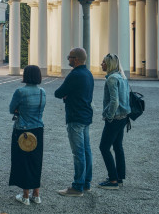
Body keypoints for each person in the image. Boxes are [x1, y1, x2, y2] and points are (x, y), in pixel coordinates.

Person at [54, 47, 94, 197]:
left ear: (76, 59)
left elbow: (59, 93)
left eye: (69, 57)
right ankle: (86, 183)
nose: (68, 59)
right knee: (86, 151)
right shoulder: (88, 74)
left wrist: (67, 96)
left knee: (78, 153)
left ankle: (77, 187)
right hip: (85, 116)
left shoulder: (74, 75)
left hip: (75, 117)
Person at [9, 65, 46, 205]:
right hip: (38, 129)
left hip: (22, 131)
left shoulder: (20, 92)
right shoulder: (43, 92)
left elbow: (11, 109)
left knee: (23, 161)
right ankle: (36, 194)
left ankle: (25, 196)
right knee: (36, 161)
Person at [98, 53, 131, 190]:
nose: (101, 64)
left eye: (104, 62)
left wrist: (110, 116)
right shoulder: (122, 77)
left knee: (104, 147)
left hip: (115, 118)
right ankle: (119, 177)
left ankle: (112, 180)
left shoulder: (111, 79)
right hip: (124, 116)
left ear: (109, 65)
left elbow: (114, 100)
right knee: (118, 146)